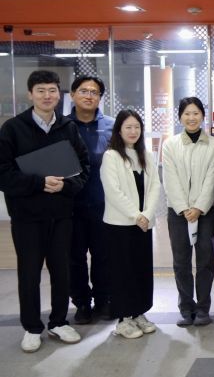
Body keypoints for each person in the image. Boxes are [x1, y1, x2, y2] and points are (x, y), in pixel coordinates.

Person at [0, 70, 89, 353]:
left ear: (58, 95)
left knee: (62, 270)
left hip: (61, 214)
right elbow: (3, 174)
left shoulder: (68, 128)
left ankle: (59, 321)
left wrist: (65, 186)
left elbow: (84, 167)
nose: (47, 96)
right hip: (27, 216)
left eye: (52, 90)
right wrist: (39, 183)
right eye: (40, 90)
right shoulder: (13, 129)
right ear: (30, 94)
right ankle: (32, 327)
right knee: (29, 273)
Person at [162, 97, 214, 327]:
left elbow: (212, 178)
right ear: (180, 117)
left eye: (196, 113)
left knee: (205, 260)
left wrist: (198, 207)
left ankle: (203, 308)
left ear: (202, 116)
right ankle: (186, 308)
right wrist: (184, 208)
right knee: (181, 261)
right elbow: (170, 179)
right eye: (187, 113)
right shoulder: (170, 145)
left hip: (205, 212)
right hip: (178, 213)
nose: (191, 118)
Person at [101, 110, 160, 339]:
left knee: (141, 270)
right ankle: (123, 319)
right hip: (120, 225)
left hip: (143, 224)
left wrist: (147, 214)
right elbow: (113, 191)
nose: (133, 131)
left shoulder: (146, 154)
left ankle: (138, 313)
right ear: (119, 130)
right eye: (128, 127)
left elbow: (155, 186)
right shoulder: (111, 156)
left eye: (137, 127)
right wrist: (137, 216)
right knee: (122, 271)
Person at [66, 75, 115, 324]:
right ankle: (82, 303)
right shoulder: (61, 126)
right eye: (83, 91)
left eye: (94, 92)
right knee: (74, 257)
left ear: (100, 98)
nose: (89, 96)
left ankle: (103, 300)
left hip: (103, 204)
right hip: (70, 205)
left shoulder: (112, 126)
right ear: (72, 95)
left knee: (103, 256)